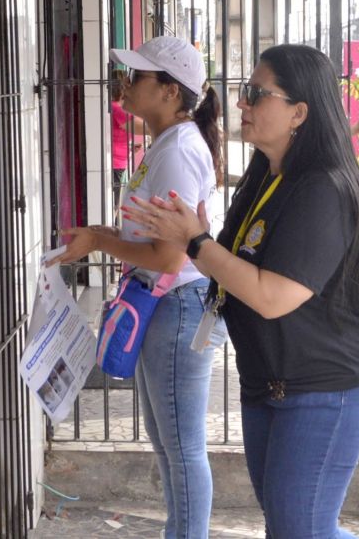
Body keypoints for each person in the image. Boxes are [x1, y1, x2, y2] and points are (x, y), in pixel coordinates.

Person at [123, 44, 359, 538]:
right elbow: (232, 264)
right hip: (269, 381)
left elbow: (272, 296)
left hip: (323, 387)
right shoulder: (267, 175)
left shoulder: (322, 188)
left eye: (255, 94)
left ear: (299, 113)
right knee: (294, 524)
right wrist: (199, 235)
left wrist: (195, 242)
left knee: (298, 527)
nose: (239, 104)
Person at [49, 36, 224, 539]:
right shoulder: (169, 144)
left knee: (181, 444)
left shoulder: (177, 151)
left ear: (170, 91)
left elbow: (171, 253)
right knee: (168, 441)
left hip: (176, 303)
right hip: (163, 302)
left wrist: (101, 243)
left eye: (139, 77)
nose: (125, 85)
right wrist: (102, 236)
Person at [111, 70, 147, 212]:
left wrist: (129, 147)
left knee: (114, 204)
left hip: (116, 162)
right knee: (113, 206)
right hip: (115, 165)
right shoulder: (117, 109)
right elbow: (146, 128)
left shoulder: (112, 108)